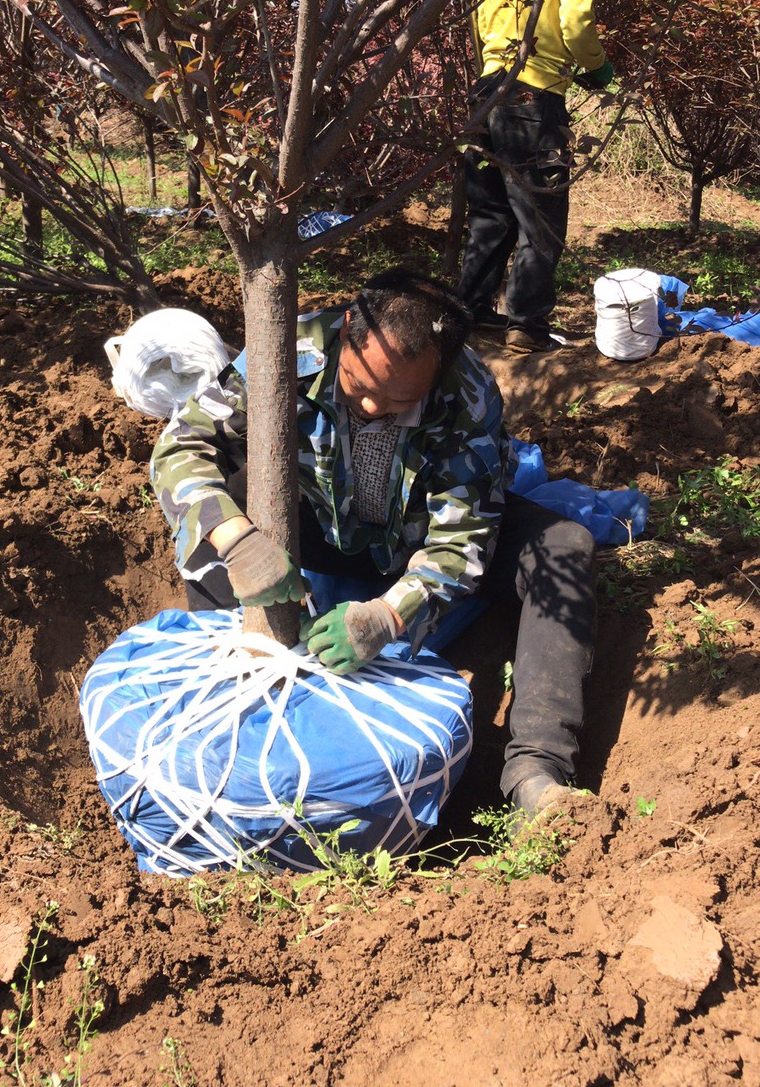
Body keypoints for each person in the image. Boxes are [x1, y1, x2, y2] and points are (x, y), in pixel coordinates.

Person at [151, 269, 596, 820]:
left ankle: (536, 773)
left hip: (412, 541)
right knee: (218, 509)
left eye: (395, 401)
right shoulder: (289, 352)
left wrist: (388, 615)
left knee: (563, 545)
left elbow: (463, 537)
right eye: (358, 387)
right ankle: (241, 713)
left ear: (437, 376)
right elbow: (182, 443)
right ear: (346, 331)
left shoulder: (468, 396)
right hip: (313, 521)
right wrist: (238, 540)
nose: (369, 408)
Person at [459, 0, 615, 353]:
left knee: (489, 214)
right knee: (540, 216)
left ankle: (474, 312)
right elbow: (576, 21)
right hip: (534, 94)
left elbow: (482, 22)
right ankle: (526, 326)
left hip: (487, 92)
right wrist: (592, 66)